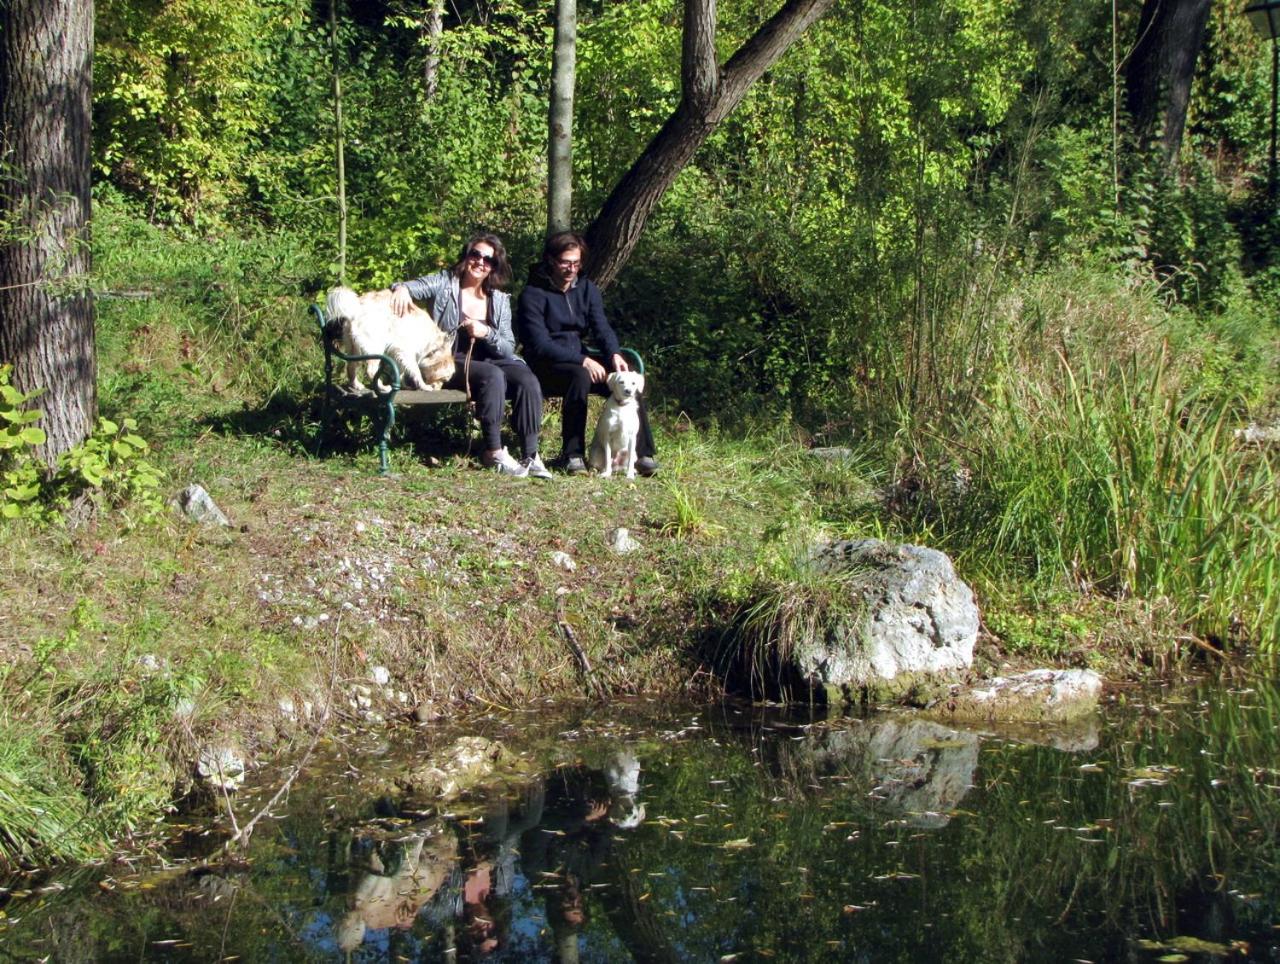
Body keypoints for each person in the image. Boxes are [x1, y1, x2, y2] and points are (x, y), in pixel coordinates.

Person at [390, 233, 551, 478]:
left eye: (488, 260)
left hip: (493, 359)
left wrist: (486, 332)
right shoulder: (445, 283)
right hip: (448, 361)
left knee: (527, 379)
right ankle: (493, 451)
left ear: (494, 267)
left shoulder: (499, 299)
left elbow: (508, 347)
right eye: (476, 255)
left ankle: (531, 454)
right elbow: (411, 286)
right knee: (492, 375)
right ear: (466, 256)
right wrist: (401, 288)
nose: (480, 262)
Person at [515, 231, 658, 476]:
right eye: (565, 263)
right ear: (551, 260)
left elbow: (601, 327)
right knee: (580, 375)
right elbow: (539, 344)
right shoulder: (532, 294)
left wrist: (614, 354)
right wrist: (583, 360)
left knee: (627, 376)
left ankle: (641, 453)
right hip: (545, 364)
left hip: (580, 356)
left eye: (576, 263)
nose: (571, 269)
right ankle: (572, 454)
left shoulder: (587, 288)